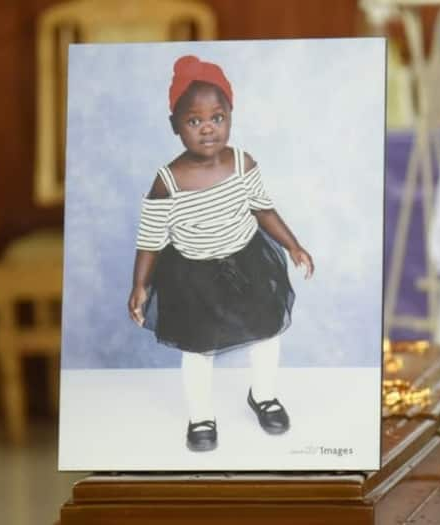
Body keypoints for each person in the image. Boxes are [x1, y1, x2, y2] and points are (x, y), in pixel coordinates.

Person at [127, 55, 314, 452]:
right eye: (194, 121)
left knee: (266, 332)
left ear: (231, 115)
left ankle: (263, 395)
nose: (208, 128)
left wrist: (293, 246)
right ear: (175, 126)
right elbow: (151, 239)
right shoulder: (168, 182)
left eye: (217, 117)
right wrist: (140, 286)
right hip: (193, 275)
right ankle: (201, 417)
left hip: (247, 264)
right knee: (199, 347)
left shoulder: (244, 163)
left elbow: (263, 210)